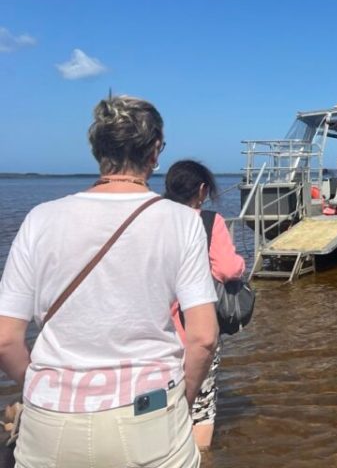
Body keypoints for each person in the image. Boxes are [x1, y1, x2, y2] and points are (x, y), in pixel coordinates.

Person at [0, 95, 218, 468]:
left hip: (49, 420)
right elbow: (203, 338)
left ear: (97, 150)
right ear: (155, 151)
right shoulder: (182, 222)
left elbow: (5, 339)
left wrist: (42, 388)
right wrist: (182, 402)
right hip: (149, 413)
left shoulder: (41, 218)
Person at [164, 160, 246, 451]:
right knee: (201, 407)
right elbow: (228, 269)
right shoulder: (209, 221)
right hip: (194, 328)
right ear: (201, 190)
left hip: (152, 334)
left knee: (157, 405)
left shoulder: (150, 219)